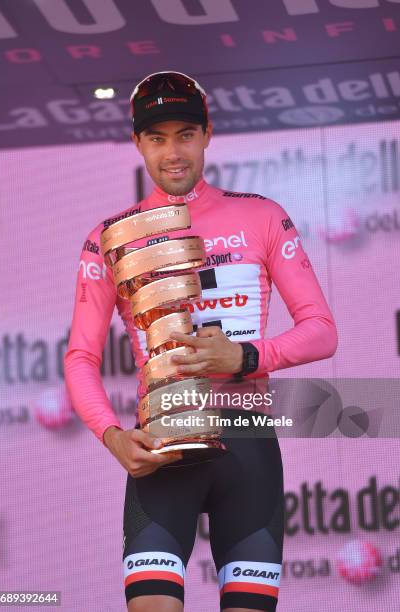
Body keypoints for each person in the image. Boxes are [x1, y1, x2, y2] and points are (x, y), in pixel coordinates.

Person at [64, 71, 338, 612]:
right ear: (137, 141)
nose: (173, 151)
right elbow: (80, 357)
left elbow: (322, 331)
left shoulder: (261, 215)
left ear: (207, 134)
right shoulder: (110, 238)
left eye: (185, 134)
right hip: (161, 453)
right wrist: (113, 436)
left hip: (249, 446)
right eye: (158, 136)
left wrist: (246, 356)